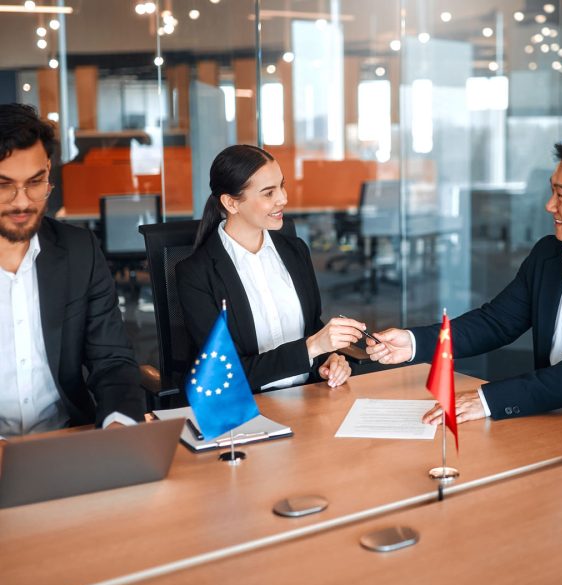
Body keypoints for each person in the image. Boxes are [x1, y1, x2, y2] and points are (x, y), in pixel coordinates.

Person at [367, 136, 562, 424]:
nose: (549, 206)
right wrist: (413, 343)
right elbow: (497, 322)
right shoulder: (550, 254)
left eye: (560, 195)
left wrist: (488, 400)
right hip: (551, 416)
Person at [0, 103, 145, 437]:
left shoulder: (80, 250)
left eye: (36, 182)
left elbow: (111, 360)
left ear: (49, 169)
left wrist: (118, 425)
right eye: (4, 185)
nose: (22, 202)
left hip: (66, 441)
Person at [177, 145, 365, 393]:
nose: (283, 199)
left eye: (282, 186)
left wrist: (328, 359)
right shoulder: (196, 273)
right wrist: (311, 348)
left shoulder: (295, 251)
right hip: (246, 411)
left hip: (310, 398)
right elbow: (226, 373)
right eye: (268, 193)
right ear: (231, 203)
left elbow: (310, 327)